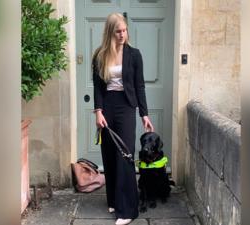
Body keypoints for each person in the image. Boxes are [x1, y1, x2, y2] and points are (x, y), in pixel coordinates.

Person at [92, 13, 154, 225]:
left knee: (125, 154)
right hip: (107, 106)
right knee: (108, 153)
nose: (122, 34)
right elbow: (98, 87)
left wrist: (144, 114)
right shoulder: (100, 55)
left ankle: (127, 210)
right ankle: (114, 199)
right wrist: (98, 111)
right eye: (118, 31)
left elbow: (140, 86)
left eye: (124, 30)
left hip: (127, 107)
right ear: (110, 32)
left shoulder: (134, 55)